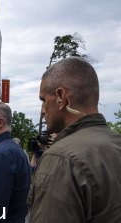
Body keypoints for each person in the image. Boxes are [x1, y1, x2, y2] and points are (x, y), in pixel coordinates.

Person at [28, 57, 121, 222]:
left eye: (43, 100)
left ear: (61, 97)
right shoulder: (115, 143)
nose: (43, 111)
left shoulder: (60, 158)